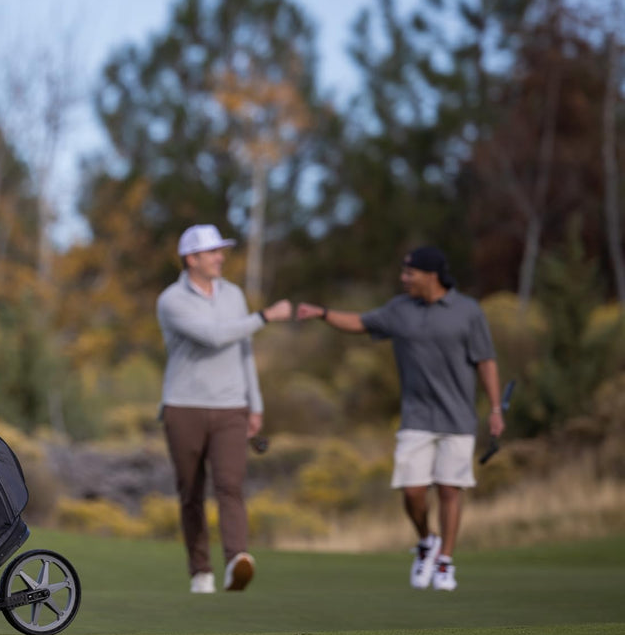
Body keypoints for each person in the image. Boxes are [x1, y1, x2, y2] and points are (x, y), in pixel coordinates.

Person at [295, 246, 503, 592]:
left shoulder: (468, 312)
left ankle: (445, 563)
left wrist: (495, 409)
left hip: (457, 417)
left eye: (410, 273)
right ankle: (426, 541)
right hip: (416, 417)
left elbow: (486, 361)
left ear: (431, 275)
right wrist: (322, 313)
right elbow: (359, 322)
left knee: (451, 490)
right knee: (412, 491)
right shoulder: (400, 309)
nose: (404, 279)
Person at [157, 224, 292, 594]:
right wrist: (265, 316)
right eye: (212, 252)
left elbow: (243, 348)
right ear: (191, 259)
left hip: (232, 405)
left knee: (230, 485)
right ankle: (200, 571)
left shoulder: (233, 294)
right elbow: (213, 337)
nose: (220, 257)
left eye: (220, 251)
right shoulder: (171, 300)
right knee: (191, 492)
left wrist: (256, 403)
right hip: (183, 406)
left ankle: (236, 561)